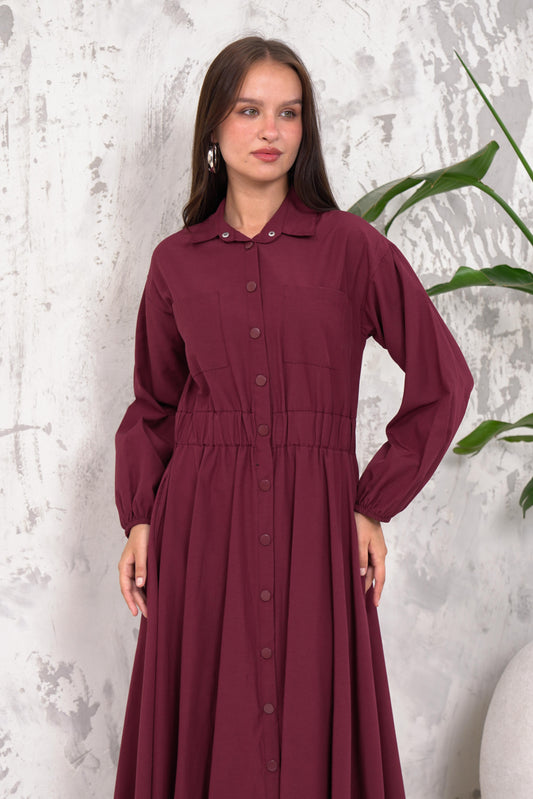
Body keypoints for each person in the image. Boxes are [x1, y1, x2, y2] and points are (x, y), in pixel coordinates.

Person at [113, 35, 473, 799]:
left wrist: (372, 503)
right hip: (200, 524)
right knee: (208, 713)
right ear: (214, 126)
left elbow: (443, 378)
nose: (270, 130)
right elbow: (154, 404)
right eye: (248, 111)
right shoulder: (176, 261)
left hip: (317, 519)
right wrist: (140, 517)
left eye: (288, 112)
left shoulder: (351, 249)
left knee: (310, 712)